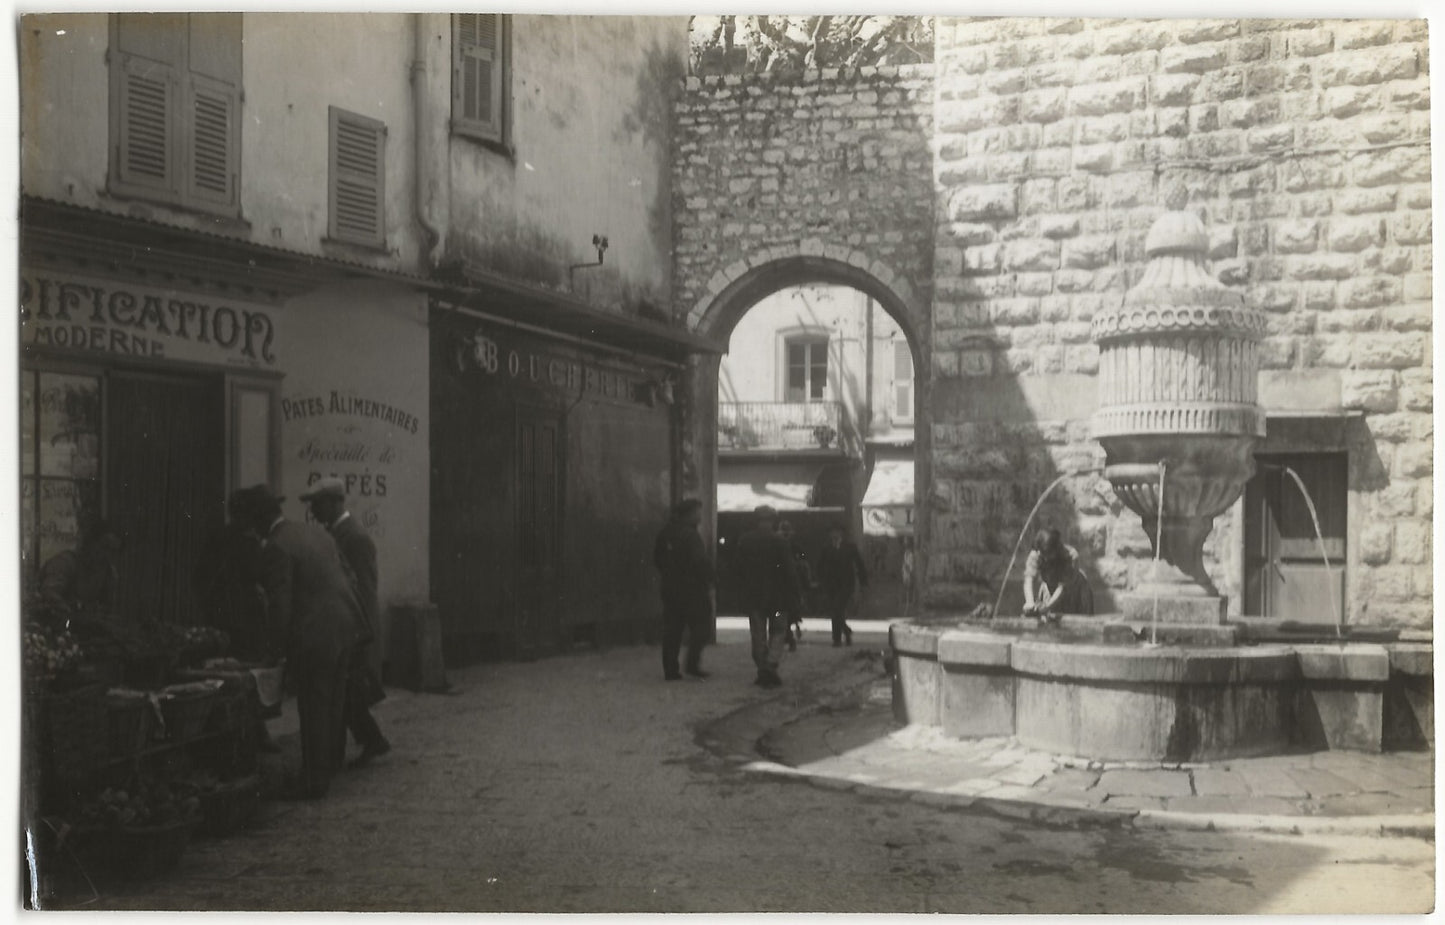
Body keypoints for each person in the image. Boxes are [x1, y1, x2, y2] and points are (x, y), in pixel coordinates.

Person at [231, 484, 362, 800]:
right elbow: (348, 576)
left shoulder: (276, 547)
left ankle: (314, 782)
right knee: (333, 701)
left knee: (313, 706)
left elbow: (281, 607)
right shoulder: (316, 533)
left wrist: (273, 653)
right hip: (345, 627)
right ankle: (329, 765)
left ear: (259, 520)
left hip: (315, 634)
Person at [300, 477, 392, 768]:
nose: (313, 510)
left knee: (348, 690)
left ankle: (365, 743)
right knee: (346, 691)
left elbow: (364, 590)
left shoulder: (354, 538)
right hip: (346, 626)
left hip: (354, 628)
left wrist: (359, 634)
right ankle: (362, 744)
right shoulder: (335, 534)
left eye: (318, 504)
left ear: (334, 503)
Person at [732, 505, 801, 688]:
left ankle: (763, 667)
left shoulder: (745, 541)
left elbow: (737, 569)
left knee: (758, 633)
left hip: (755, 598)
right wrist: (796, 593)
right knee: (778, 631)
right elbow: (790, 571)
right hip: (778, 600)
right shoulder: (780, 541)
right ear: (773, 521)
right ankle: (770, 664)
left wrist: (740, 591)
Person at [652, 498, 714, 681]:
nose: (700, 517)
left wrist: (669, 574)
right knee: (702, 626)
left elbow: (657, 559)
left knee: (672, 629)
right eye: (697, 513)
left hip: (670, 588)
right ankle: (692, 664)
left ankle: (670, 669)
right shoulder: (691, 535)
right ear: (689, 514)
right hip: (693, 589)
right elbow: (700, 561)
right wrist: (710, 578)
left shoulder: (665, 533)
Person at [37, 519, 123, 615]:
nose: (108, 555)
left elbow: (107, 608)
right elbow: (49, 594)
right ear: (91, 543)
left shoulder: (109, 573)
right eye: (105, 547)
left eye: (113, 551)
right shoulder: (65, 563)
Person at [1022, 528, 1093, 622]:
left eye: (1048, 554)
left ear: (1056, 550)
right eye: (1043, 554)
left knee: (1079, 624)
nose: (1045, 558)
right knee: (1048, 623)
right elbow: (1028, 580)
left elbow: (1062, 587)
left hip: (1075, 591)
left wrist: (1047, 606)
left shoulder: (1070, 556)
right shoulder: (1038, 553)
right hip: (1050, 588)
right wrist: (1029, 602)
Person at [817, 523, 868, 646]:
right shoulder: (826, 548)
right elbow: (820, 566)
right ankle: (846, 631)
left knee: (837, 609)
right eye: (832, 532)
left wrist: (863, 582)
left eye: (837, 531)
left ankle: (837, 639)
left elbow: (859, 564)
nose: (834, 534)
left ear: (841, 533)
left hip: (846, 584)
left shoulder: (850, 547)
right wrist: (821, 581)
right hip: (831, 585)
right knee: (836, 611)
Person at [776, 520, 809, 652]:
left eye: (787, 532)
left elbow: (803, 559)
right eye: (783, 532)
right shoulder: (776, 546)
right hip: (780, 584)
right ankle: (788, 636)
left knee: (789, 612)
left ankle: (788, 636)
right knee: (782, 612)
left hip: (791, 584)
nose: (785, 535)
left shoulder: (795, 547)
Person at [900, 536, 916, 616]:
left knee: (909, 589)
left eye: (906, 543)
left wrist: (909, 570)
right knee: (906, 589)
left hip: (909, 572)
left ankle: (909, 606)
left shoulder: (910, 554)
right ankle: (907, 606)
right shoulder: (906, 553)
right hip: (905, 572)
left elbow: (911, 564)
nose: (905, 544)